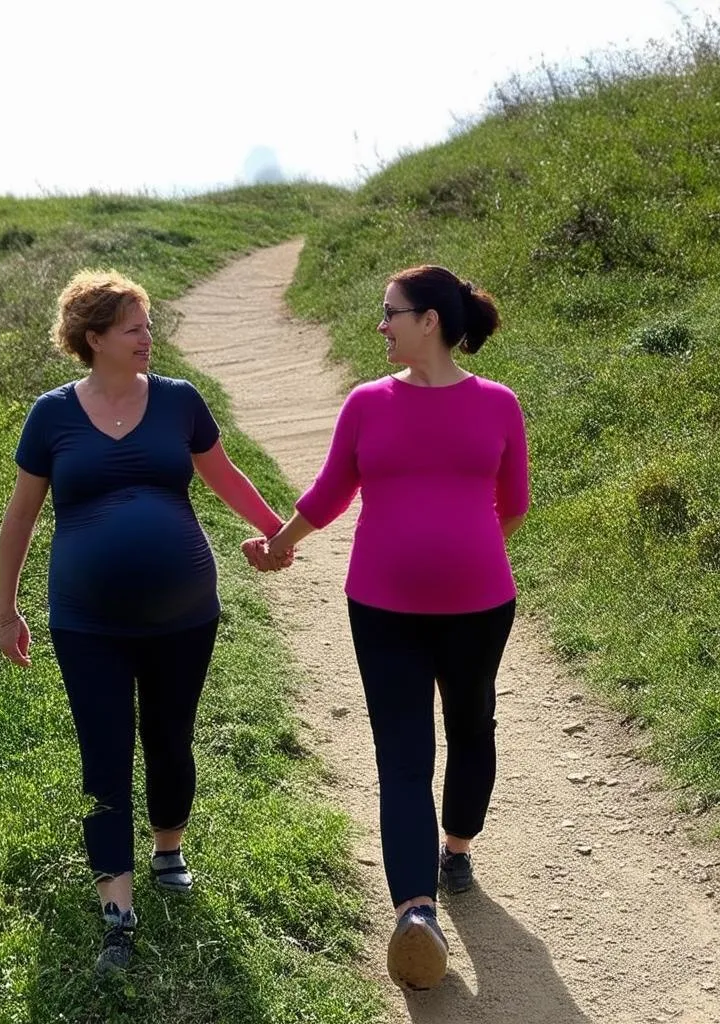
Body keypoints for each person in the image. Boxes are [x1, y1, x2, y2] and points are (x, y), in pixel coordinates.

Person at [243, 265, 529, 992]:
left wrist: (461, 551)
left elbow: (515, 505)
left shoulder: (500, 404)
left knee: (471, 725)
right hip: (382, 608)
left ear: (429, 320)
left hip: (479, 609)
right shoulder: (367, 404)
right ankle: (416, 913)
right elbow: (332, 491)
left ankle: (456, 847)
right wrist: (279, 541)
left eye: (390, 313)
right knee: (402, 754)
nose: (382, 324)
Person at [0, 269, 291, 974]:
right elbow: (21, 517)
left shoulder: (180, 404)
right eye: (135, 328)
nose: (148, 339)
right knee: (104, 750)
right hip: (85, 620)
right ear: (94, 338)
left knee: (169, 736)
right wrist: (5, 608)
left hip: (184, 614)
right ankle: (118, 913)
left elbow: (227, 477)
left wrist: (279, 533)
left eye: (148, 325)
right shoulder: (52, 415)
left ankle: (168, 850)